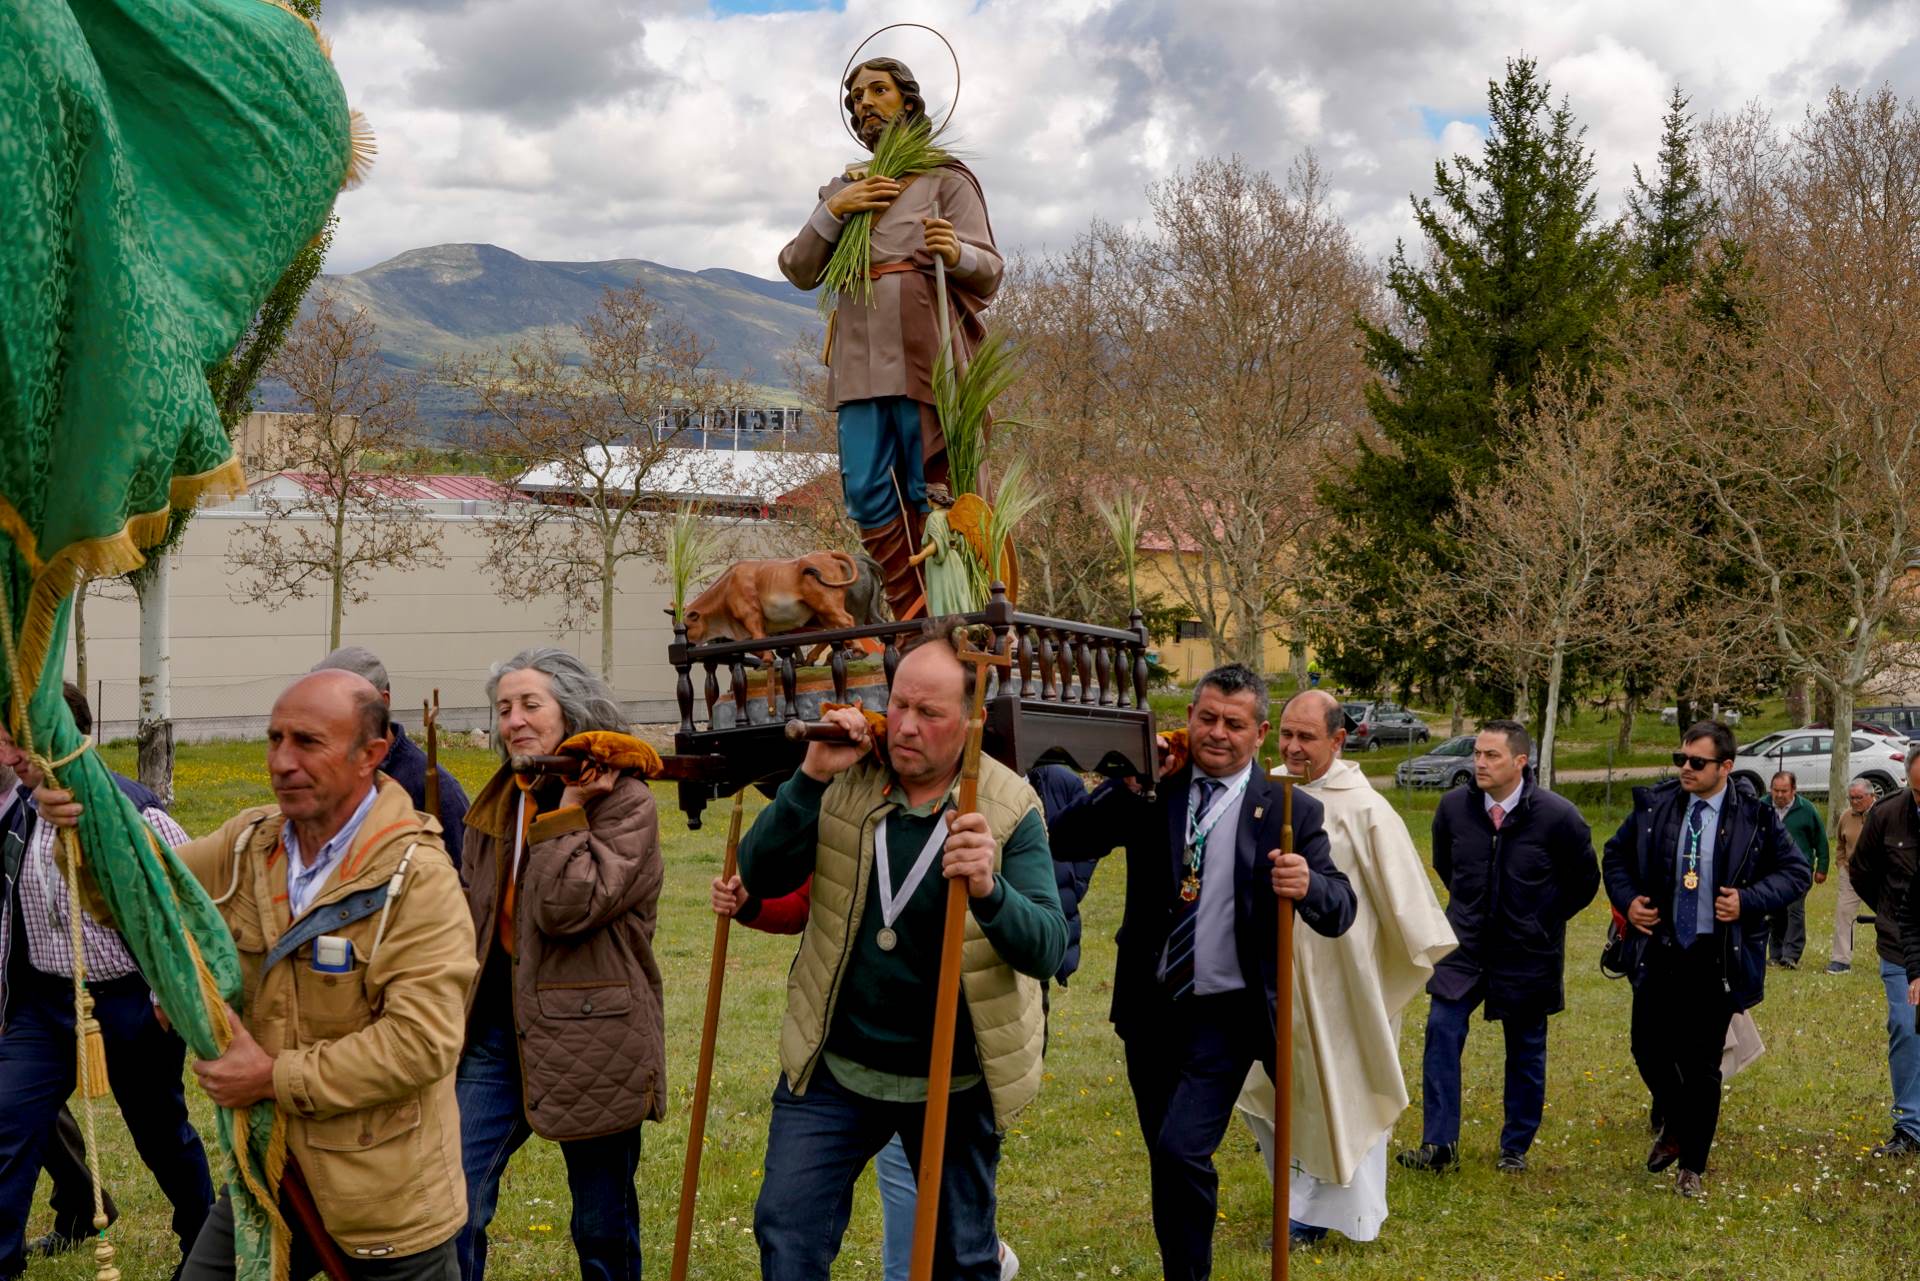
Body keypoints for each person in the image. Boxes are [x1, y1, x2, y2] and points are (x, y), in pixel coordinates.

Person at [35, 670, 477, 1277]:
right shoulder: (250, 843)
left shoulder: (417, 878)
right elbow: (134, 896)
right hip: (266, 1175)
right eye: (274, 739)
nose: (282, 761)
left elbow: (422, 1044)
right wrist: (81, 830)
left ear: (371, 754)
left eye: (307, 742)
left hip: (385, 1196)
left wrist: (271, 1077)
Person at [737, 622, 1065, 1281]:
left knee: (959, 1259)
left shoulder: (1005, 805)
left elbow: (1047, 948)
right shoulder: (848, 776)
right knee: (787, 1234)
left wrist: (989, 889)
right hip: (837, 1066)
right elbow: (762, 872)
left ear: (970, 720)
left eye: (928, 711)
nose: (905, 724)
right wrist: (808, 781)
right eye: (899, 702)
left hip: (954, 1075)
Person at [1046, 664, 1356, 1281]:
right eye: (1206, 717)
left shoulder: (1290, 807)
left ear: (1260, 732)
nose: (1218, 733)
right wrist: (1128, 785)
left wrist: (1309, 884)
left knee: (1182, 1148)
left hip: (1228, 1015)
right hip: (1150, 1007)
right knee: (1167, 1158)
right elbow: (1068, 839)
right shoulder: (1154, 788)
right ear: (1188, 717)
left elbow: (1340, 908)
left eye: (1234, 724)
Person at [456, 649, 663, 1280]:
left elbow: (566, 907)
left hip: (592, 1031)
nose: (513, 720)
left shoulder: (625, 804)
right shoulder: (498, 801)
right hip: (496, 1030)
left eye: (530, 704)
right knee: (452, 1208)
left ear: (571, 711)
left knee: (600, 1231)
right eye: (503, 708)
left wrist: (570, 801)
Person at [778, 56, 1002, 621]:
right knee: (866, 489)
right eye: (856, 96)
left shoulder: (945, 180)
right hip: (857, 361)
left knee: (933, 484)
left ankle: (952, 611)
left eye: (877, 91)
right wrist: (833, 212)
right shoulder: (844, 189)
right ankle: (907, 612)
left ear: (907, 100)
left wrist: (956, 251)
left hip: (923, 353)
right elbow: (799, 268)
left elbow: (990, 269)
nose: (864, 103)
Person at [0, 686, 212, 1281]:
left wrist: (167, 996)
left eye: (21, 740)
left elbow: (193, 907)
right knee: (7, 1121)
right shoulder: (19, 812)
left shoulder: (134, 811)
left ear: (64, 740)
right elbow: (7, 913)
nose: (11, 753)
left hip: (129, 1004)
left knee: (160, 1134)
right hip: (44, 1006)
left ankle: (204, 1246)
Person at [1234, 690, 1455, 1249]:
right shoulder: (1262, 792)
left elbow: (1401, 903)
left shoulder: (1365, 809)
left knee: (1342, 1092)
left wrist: (1379, 973)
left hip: (1342, 986)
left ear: (1338, 739)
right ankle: (1295, 1201)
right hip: (1264, 975)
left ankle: (1335, 1217)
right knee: (1271, 1087)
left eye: (1307, 737)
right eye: (1285, 734)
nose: (1292, 747)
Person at [1602, 721, 1810, 1195]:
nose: (1686, 770)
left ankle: (1692, 1165)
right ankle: (1677, 1121)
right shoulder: (1656, 806)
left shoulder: (1754, 817)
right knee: (1647, 1048)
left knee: (1702, 1065)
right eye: (1681, 760)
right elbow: (1614, 857)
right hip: (1660, 949)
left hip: (1716, 957)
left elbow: (1795, 873)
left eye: (1697, 762)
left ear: (1726, 767)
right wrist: (1630, 899)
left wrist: (1749, 899)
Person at [1399, 720, 1597, 1176]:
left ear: (1520, 762)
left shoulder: (1558, 816)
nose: (1480, 763)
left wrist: (1540, 919)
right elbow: (1446, 865)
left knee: (1525, 1049)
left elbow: (1584, 882)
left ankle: (1515, 1146)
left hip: (1528, 952)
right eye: (1478, 754)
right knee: (1442, 1032)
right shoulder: (1453, 808)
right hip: (1464, 945)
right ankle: (1439, 1144)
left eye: (1492, 756)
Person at [312, 646, 470, 869]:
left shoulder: (436, 789)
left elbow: (461, 885)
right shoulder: (322, 775)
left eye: (343, 703)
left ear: (382, 702)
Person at [1844, 749, 1920, 1159]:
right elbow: (1862, 872)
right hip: (1900, 946)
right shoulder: (1888, 815)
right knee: (1908, 1029)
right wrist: (1891, 915)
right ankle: (1910, 1127)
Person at [1765, 770, 1826, 969]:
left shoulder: (1806, 809)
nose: (1780, 795)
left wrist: (1822, 867)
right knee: (1775, 912)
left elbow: (1821, 841)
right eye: (1776, 791)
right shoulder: (1761, 806)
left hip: (1798, 872)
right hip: (1771, 871)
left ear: (1794, 790)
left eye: (1784, 791)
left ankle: (1791, 955)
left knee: (1794, 910)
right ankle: (1775, 954)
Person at [1829, 779, 1873, 973]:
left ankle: (1898, 958)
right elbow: (1840, 844)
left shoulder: (1883, 812)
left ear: (1871, 796)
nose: (1855, 802)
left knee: (1894, 916)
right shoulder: (1846, 816)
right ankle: (1840, 960)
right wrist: (1841, 865)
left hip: (1880, 875)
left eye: (1859, 798)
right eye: (1852, 798)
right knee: (1843, 913)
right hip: (1851, 874)